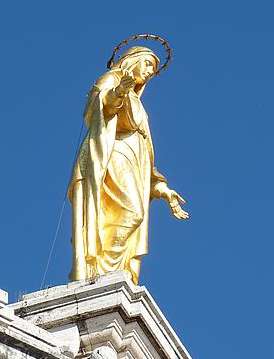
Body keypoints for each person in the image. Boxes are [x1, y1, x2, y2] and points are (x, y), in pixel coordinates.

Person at [68, 46, 188, 284]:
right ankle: (101, 271)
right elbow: (96, 108)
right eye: (147, 64)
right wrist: (118, 93)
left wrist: (162, 190)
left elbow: (148, 158)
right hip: (112, 155)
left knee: (134, 217)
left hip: (134, 163)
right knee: (133, 212)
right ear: (132, 61)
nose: (150, 71)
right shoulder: (113, 80)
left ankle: (113, 272)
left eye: (153, 69)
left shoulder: (138, 103)